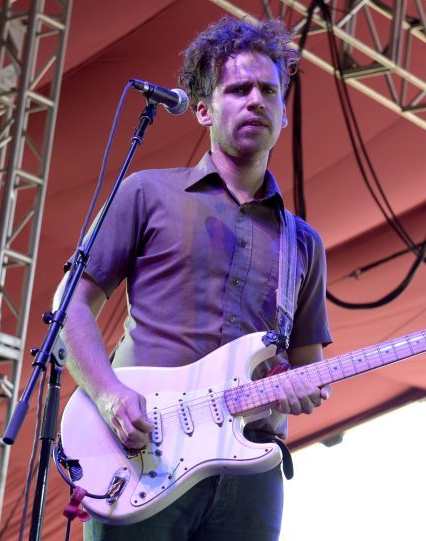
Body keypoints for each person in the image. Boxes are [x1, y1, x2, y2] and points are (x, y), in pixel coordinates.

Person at [57, 16, 332, 541]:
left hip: (251, 468)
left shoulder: (303, 244)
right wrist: (110, 396)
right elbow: (70, 305)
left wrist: (304, 389)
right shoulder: (146, 193)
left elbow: (307, 365)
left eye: (269, 91)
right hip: (142, 455)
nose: (256, 101)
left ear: (283, 113)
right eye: (238, 89)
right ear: (203, 109)